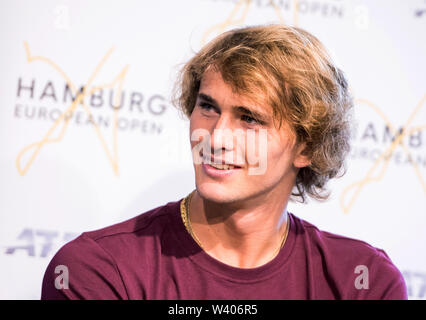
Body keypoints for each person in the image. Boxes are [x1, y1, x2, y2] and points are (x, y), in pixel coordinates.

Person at [41, 24, 407, 300]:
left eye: (249, 118)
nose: (215, 139)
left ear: (306, 148)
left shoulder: (362, 282)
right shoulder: (98, 268)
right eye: (208, 107)